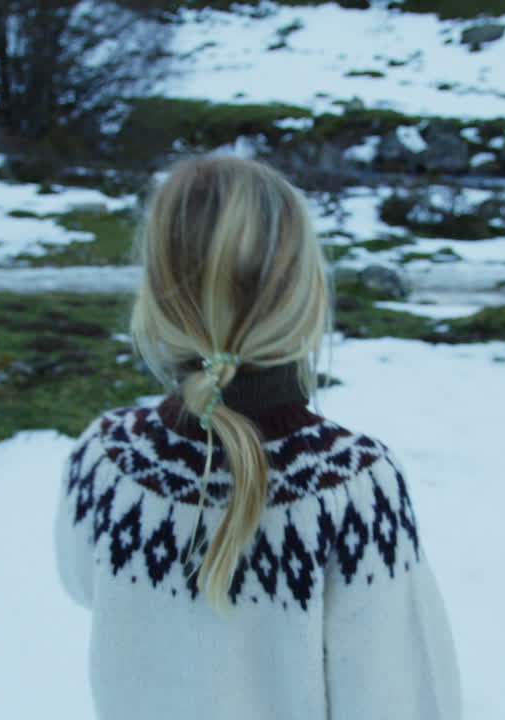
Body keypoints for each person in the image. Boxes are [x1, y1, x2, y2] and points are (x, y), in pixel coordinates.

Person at [54, 154, 461, 719]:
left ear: (157, 293)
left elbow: (83, 586)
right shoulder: (353, 489)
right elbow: (403, 698)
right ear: (305, 294)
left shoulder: (104, 457)